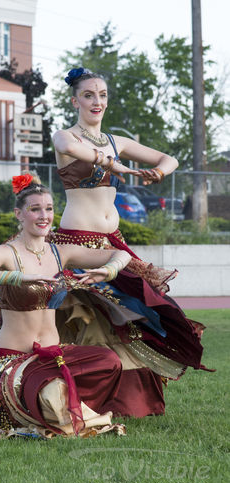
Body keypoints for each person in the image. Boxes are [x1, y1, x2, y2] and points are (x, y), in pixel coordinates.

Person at [49, 67, 211, 418]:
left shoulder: (116, 141)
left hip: (114, 241)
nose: (97, 101)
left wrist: (159, 172)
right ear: (75, 100)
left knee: (134, 316)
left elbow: (170, 159)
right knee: (89, 321)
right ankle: (75, 399)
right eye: (89, 95)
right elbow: (74, 150)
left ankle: (123, 401)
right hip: (79, 240)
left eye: (102, 94)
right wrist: (120, 168)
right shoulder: (65, 137)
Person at [0, 174, 132, 440]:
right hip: (13, 361)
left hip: (52, 354)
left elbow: (121, 252)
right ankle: (50, 406)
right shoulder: (9, 253)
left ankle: (63, 405)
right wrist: (16, 277)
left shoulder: (60, 252)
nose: (44, 216)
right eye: (35, 209)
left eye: (49, 208)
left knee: (109, 362)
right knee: (54, 395)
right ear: (19, 214)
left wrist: (108, 270)